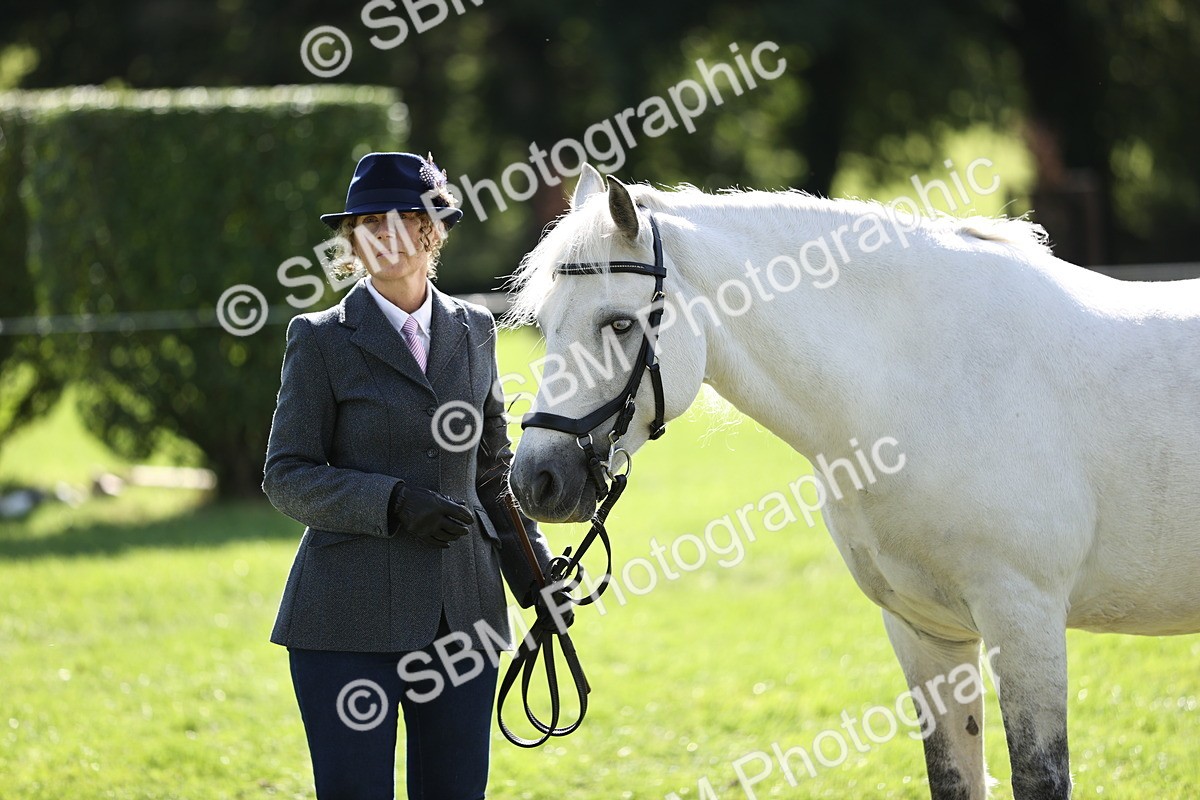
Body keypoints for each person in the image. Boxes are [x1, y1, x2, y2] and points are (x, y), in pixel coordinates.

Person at [262, 151, 566, 800]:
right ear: (352, 239)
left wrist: (535, 578)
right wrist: (392, 502)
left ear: (433, 230)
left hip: (464, 617)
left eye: (404, 218)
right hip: (345, 621)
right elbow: (287, 475)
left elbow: (492, 471)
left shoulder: (476, 329)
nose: (386, 235)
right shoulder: (319, 338)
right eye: (370, 222)